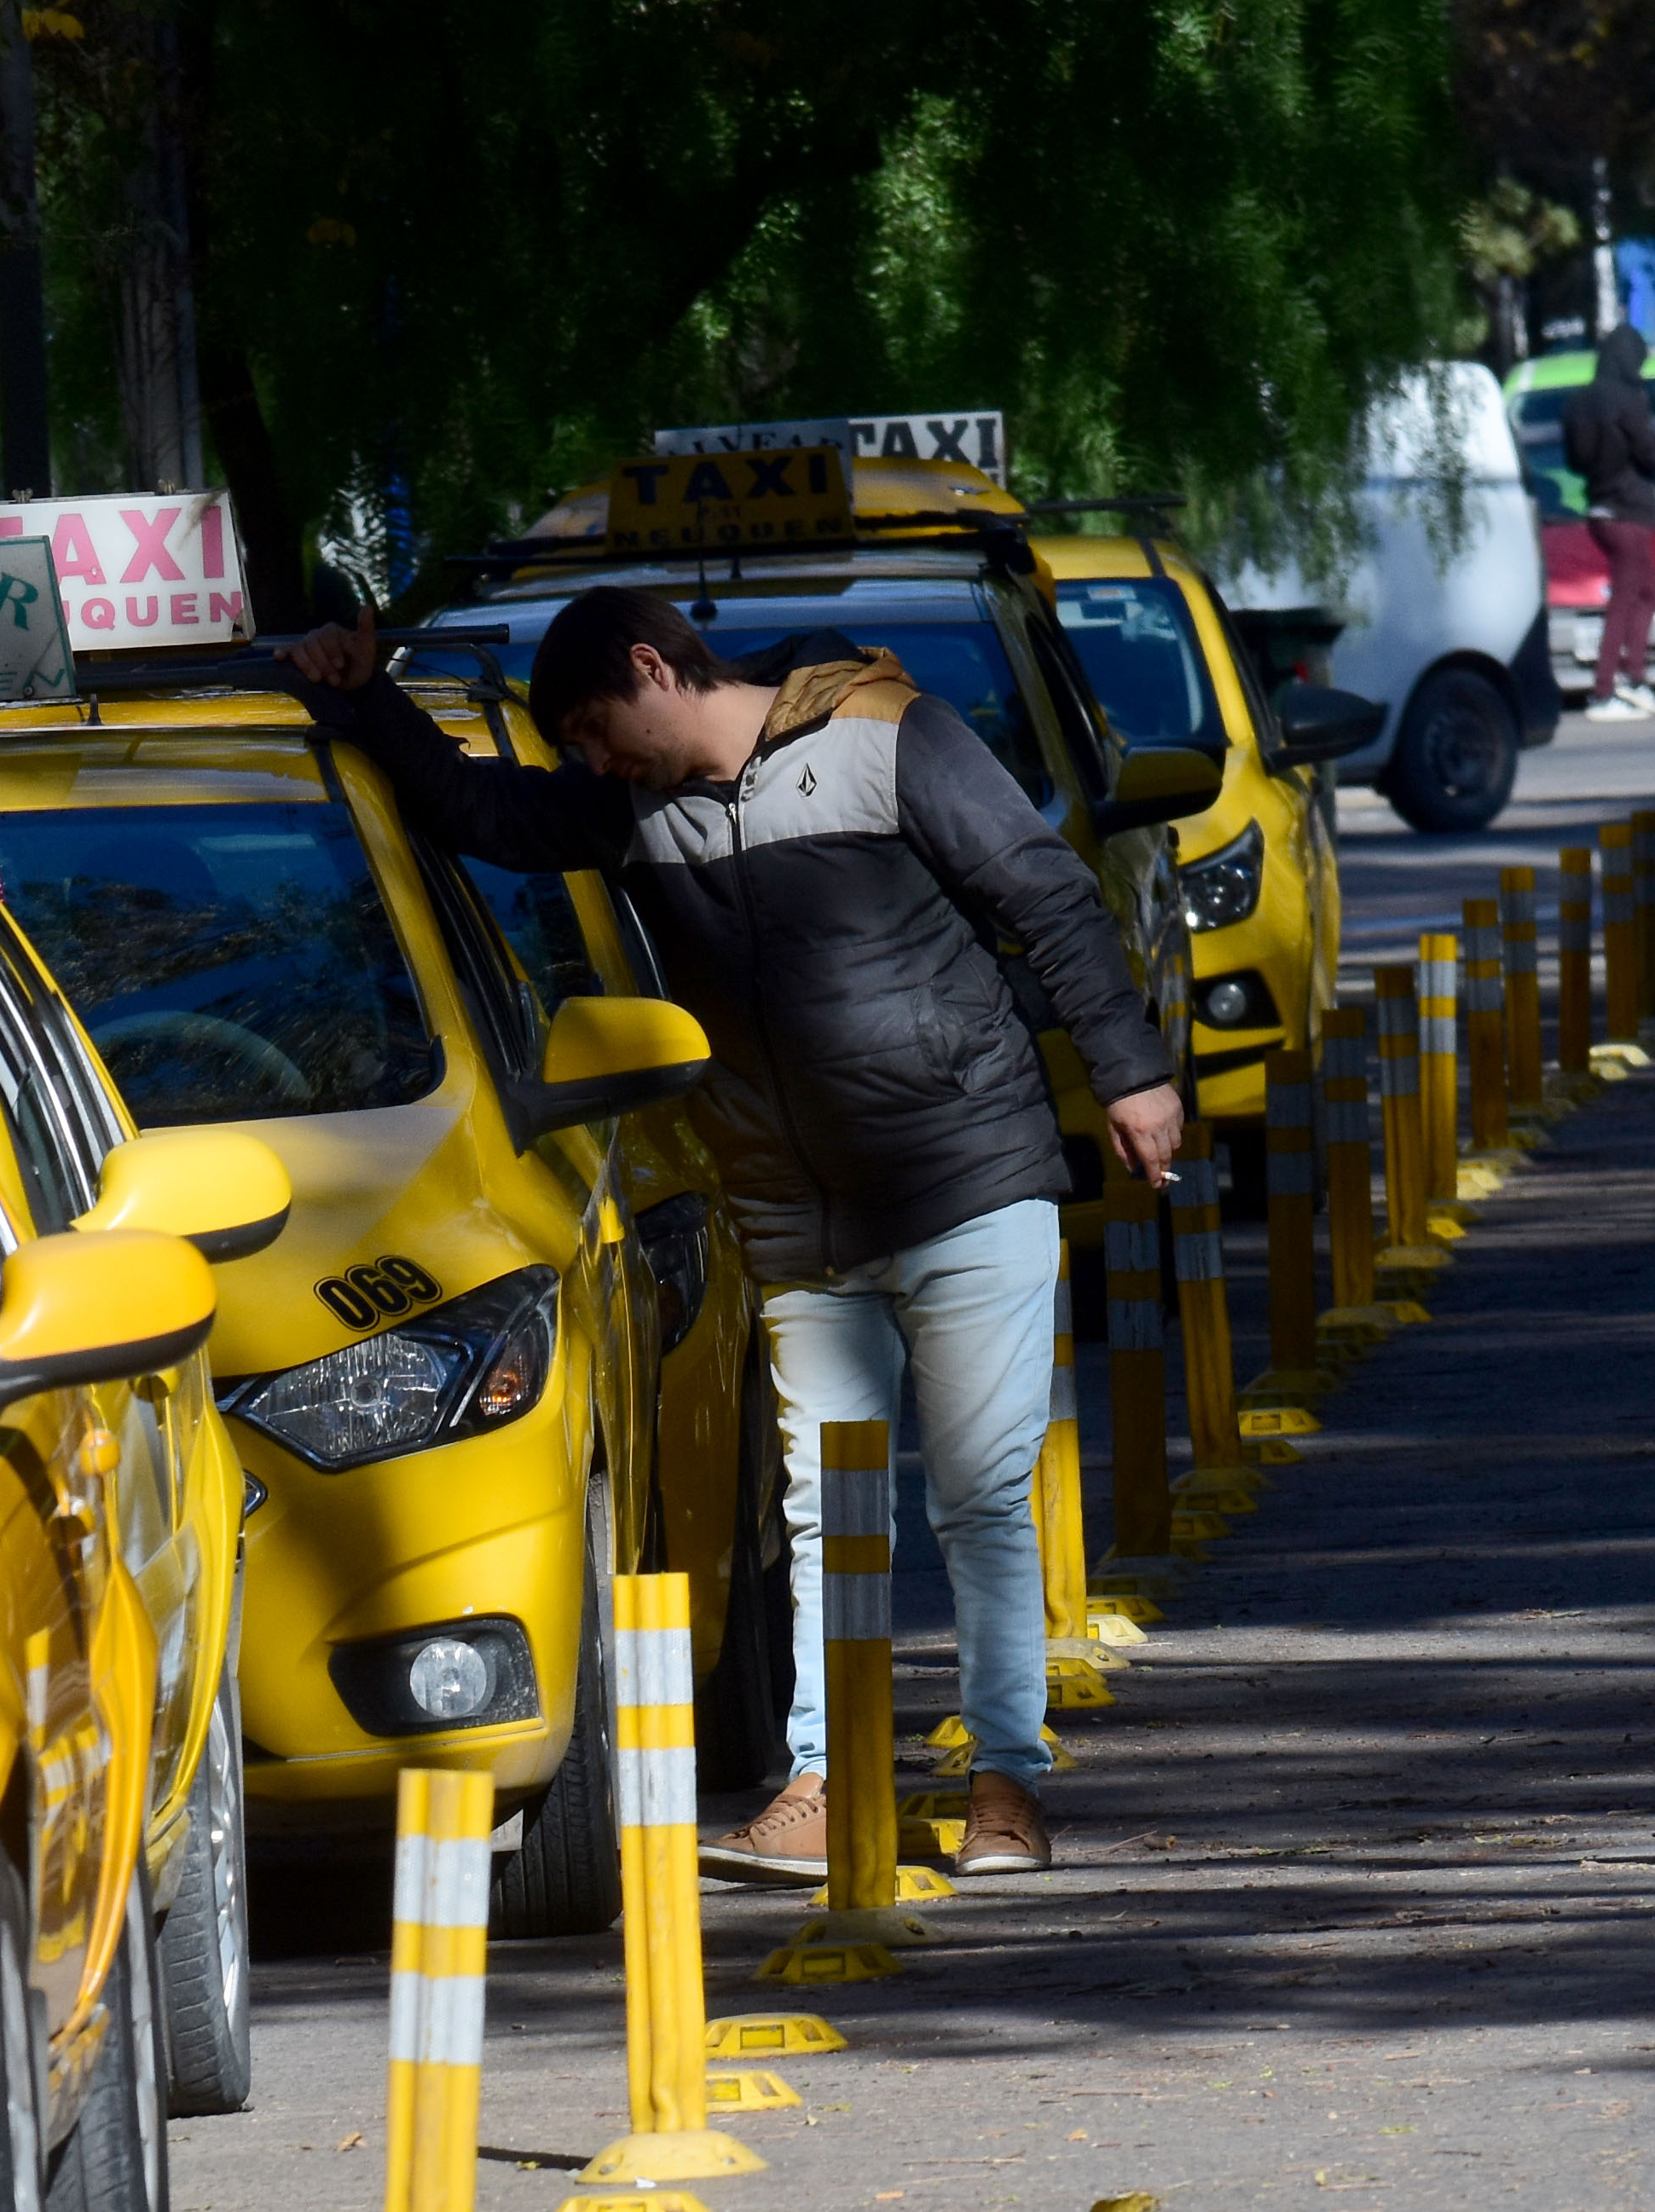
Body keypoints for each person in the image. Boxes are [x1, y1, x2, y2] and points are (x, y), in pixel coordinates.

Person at [278, 591, 1184, 1881]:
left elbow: (1044, 892)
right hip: (794, 1209)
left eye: (596, 727)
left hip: (969, 1176)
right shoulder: (634, 801)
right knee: (824, 1507)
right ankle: (827, 1779)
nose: (592, 759)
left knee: (980, 1499)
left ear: (656, 667)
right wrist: (363, 697)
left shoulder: (886, 733)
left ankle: (1005, 1785)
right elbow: (489, 814)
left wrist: (1131, 1071)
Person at [1558, 325, 1655, 722]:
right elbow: (1646, 451)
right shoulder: (1629, 398)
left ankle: (1634, 678)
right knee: (1630, 596)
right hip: (1629, 508)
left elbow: (1574, 460)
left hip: (1598, 507)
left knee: (1644, 590)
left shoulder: (1580, 401)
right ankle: (1607, 688)